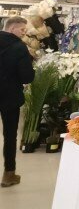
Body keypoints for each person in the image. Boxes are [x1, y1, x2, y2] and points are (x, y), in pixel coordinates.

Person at [0, 16, 34, 188]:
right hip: (10, 97)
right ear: (12, 28)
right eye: (22, 30)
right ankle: (9, 174)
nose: (23, 33)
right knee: (10, 136)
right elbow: (27, 77)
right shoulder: (19, 47)